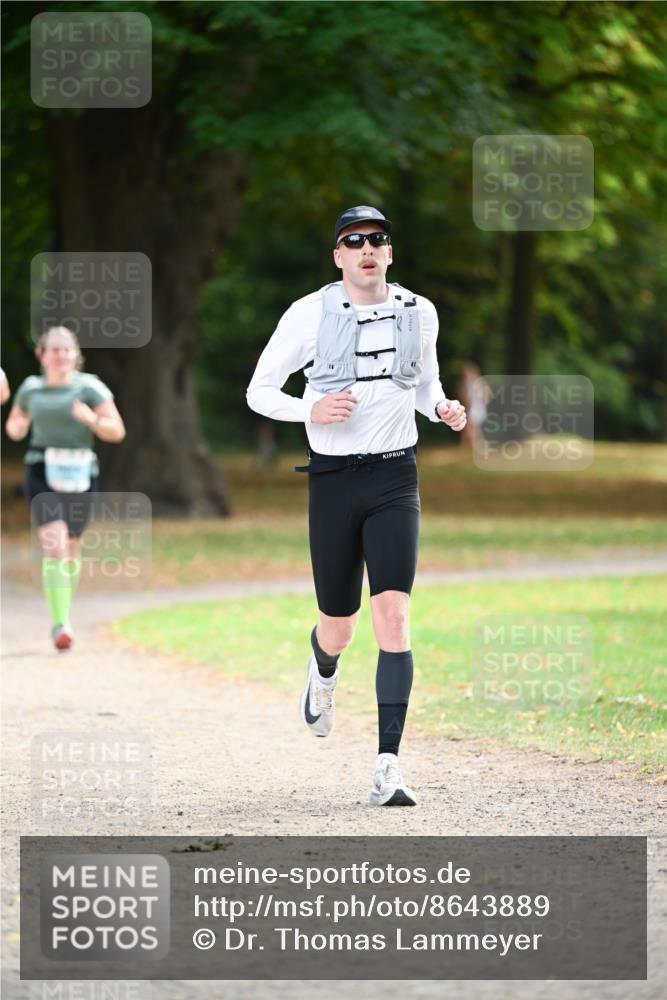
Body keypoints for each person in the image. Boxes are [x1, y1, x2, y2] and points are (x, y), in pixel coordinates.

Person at [246, 206, 466, 806]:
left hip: (397, 476)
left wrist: (442, 408)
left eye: (376, 239)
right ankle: (322, 670)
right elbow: (260, 391)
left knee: (393, 617)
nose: (366, 248)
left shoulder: (420, 313)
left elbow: (424, 384)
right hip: (335, 481)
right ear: (338, 256)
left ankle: (387, 766)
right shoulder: (307, 315)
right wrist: (308, 410)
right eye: (353, 241)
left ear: (389, 253)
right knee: (339, 626)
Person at [5, 326, 125, 651]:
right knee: (55, 545)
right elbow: (16, 426)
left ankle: (63, 612)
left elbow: (116, 431)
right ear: (42, 356)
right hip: (41, 470)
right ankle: (61, 625)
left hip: (80, 473)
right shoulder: (31, 389)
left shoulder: (90, 388)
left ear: (76, 355)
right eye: (54, 350)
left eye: (67, 349)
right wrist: (17, 425)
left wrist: (91, 420)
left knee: (70, 546)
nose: (61, 355)